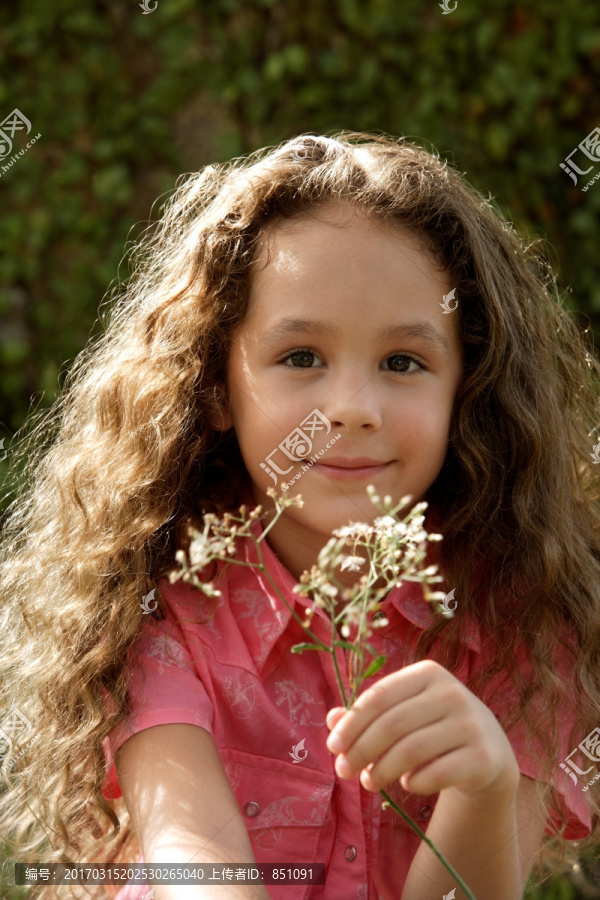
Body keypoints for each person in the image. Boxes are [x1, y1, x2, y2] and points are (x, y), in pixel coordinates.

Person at [0, 131, 599, 900]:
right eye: (302, 357)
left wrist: (482, 789)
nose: (351, 409)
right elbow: (197, 866)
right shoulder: (160, 605)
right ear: (214, 384)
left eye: (403, 363)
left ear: (467, 390)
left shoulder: (522, 617)